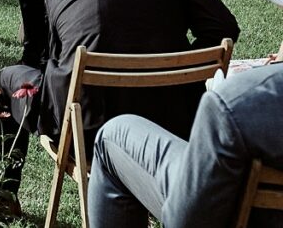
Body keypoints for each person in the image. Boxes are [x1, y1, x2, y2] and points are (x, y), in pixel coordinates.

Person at [0, 0, 240, 197]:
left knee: (6, 78)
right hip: (174, 128)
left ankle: (1, 196)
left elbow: (55, 64)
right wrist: (182, 63)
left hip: (86, 133)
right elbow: (224, 28)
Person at [88, 62, 283, 228]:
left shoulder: (234, 103)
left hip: (218, 204)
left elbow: (186, 220)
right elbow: (221, 26)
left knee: (111, 137)